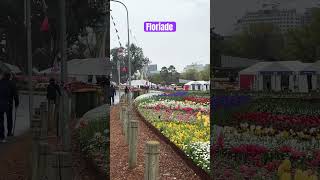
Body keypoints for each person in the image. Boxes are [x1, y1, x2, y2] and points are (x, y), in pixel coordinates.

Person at [0, 72, 19, 142]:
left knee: (0, 120)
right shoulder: (11, 83)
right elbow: (15, 94)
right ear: (9, 77)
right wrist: (17, 103)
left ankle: (1, 136)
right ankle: (9, 133)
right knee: (9, 119)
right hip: (8, 104)